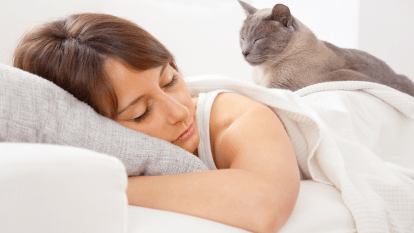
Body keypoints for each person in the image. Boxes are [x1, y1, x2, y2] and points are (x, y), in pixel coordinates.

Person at [13, 13, 300, 233]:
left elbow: (265, 204)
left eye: (170, 80)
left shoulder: (231, 115)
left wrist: (108, 185)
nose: (178, 112)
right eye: (140, 113)